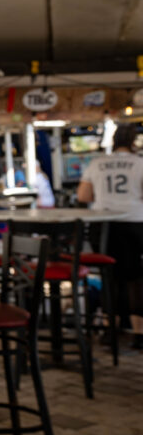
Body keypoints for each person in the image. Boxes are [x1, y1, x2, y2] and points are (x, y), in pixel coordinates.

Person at [77, 123, 143, 348]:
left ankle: (109, 331)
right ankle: (138, 334)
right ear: (133, 142)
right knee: (135, 277)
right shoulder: (140, 163)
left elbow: (83, 196)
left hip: (103, 225)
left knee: (109, 277)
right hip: (135, 224)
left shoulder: (97, 163)